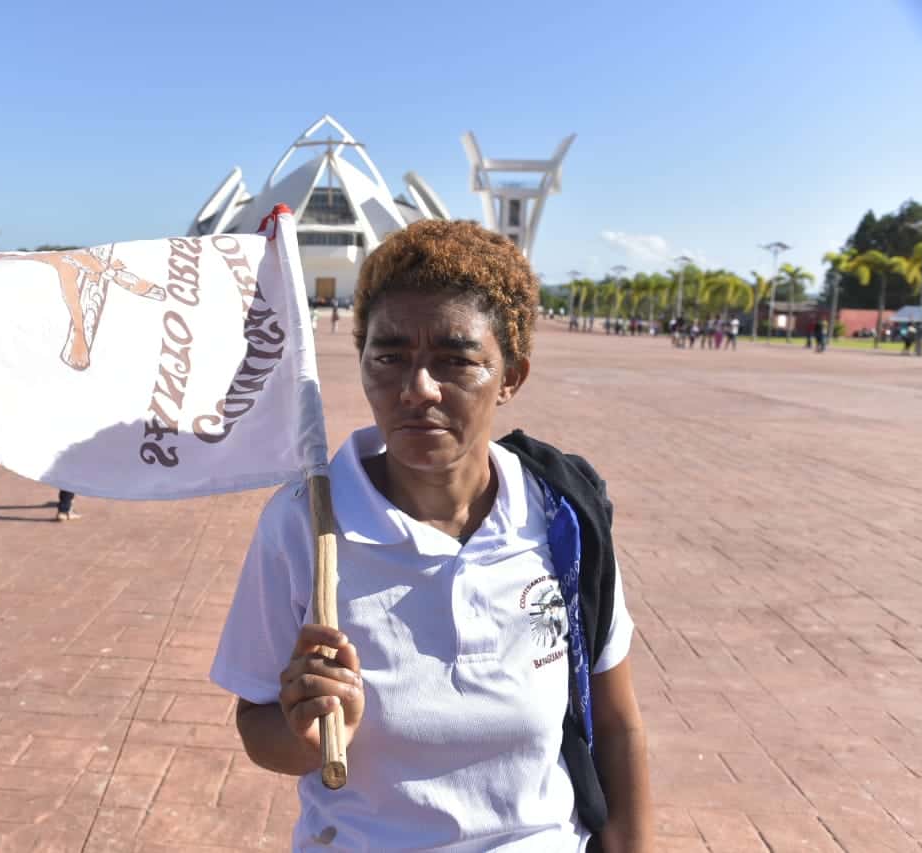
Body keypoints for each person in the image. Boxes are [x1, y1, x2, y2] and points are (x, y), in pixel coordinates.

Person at [210, 221, 652, 852]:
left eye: (456, 359)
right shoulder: (305, 526)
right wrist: (303, 731)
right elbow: (258, 724)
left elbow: (615, 725)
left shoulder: (561, 517)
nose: (418, 389)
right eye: (389, 357)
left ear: (511, 376)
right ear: (362, 365)